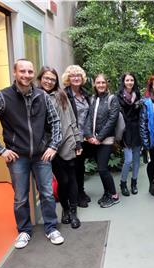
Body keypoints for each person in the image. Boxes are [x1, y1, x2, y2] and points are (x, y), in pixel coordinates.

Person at [0, 59, 64, 248]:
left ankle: (51, 228)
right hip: (17, 157)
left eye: (29, 71)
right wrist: (0, 149)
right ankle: (24, 231)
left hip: (42, 154)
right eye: (22, 71)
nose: (26, 75)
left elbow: (56, 122)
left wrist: (53, 146)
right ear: (14, 72)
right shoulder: (2, 97)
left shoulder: (42, 96)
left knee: (47, 194)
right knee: (20, 197)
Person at [37, 66, 82, 229]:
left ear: (56, 81)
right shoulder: (36, 96)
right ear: (40, 79)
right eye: (46, 78)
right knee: (62, 180)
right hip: (49, 146)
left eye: (52, 79)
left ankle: (73, 212)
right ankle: (65, 207)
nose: (49, 81)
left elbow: (71, 118)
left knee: (71, 178)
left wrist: (78, 140)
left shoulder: (61, 95)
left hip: (67, 141)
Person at [84, 74, 120, 208]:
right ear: (94, 84)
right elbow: (88, 118)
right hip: (93, 140)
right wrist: (89, 136)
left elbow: (112, 120)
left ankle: (114, 195)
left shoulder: (112, 99)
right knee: (101, 169)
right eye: (98, 83)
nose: (100, 85)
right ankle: (107, 193)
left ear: (107, 84)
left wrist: (99, 138)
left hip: (106, 140)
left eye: (103, 82)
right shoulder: (93, 98)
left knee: (102, 169)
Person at [62, 65, 92, 208]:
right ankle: (74, 196)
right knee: (72, 167)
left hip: (83, 137)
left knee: (80, 166)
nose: (76, 78)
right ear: (68, 78)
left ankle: (81, 191)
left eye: (78, 75)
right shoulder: (64, 94)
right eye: (73, 75)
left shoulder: (85, 94)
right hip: (70, 137)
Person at [117, 73, 142, 196]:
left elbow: (140, 113)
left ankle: (134, 183)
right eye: (127, 80)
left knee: (137, 159)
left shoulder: (137, 95)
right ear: (124, 82)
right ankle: (123, 183)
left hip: (136, 129)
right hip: (125, 130)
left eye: (132, 80)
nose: (130, 82)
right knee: (128, 160)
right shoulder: (119, 96)